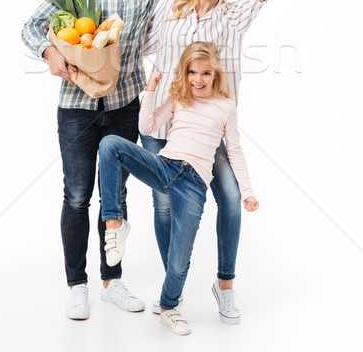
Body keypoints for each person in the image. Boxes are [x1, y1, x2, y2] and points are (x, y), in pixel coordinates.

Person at [21, 0, 231, 320]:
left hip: (125, 106)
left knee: (114, 194)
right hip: (76, 108)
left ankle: (111, 280)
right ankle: (77, 285)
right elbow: (30, 28)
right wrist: (49, 54)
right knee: (77, 195)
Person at [141, 0, 315, 322]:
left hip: (208, 130)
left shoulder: (234, 16)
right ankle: (172, 292)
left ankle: (225, 286)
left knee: (232, 200)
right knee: (164, 205)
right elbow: (140, 49)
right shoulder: (170, 10)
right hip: (162, 122)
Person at [98, 42, 259, 336]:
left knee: (179, 260)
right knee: (109, 144)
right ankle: (114, 223)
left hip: (194, 184)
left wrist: (246, 192)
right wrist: (149, 90)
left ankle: (170, 307)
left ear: (216, 75)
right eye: (192, 72)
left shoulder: (225, 107)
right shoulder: (178, 98)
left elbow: (234, 151)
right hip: (165, 166)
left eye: (206, 73)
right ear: (184, 73)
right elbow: (147, 128)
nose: (198, 79)